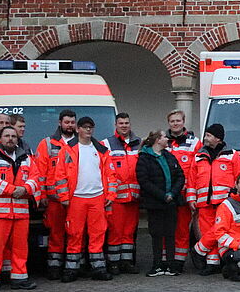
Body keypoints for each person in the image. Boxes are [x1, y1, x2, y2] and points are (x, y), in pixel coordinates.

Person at [0, 125, 40, 292]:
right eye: (7, 136)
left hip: (20, 214)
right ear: (0, 138)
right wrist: (15, 190)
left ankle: (19, 278)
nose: (10, 139)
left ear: (17, 139)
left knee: (20, 248)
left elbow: (36, 177)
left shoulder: (27, 158)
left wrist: (25, 189)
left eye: (13, 136)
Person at [53, 116, 117, 282]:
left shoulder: (101, 150)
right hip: (76, 198)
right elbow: (59, 175)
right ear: (78, 129)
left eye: (91, 127)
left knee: (98, 233)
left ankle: (98, 268)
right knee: (74, 233)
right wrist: (64, 197)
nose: (88, 130)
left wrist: (110, 195)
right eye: (85, 127)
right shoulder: (68, 150)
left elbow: (111, 175)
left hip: (97, 197)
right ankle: (71, 269)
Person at [191, 124, 240, 274]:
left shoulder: (231, 155)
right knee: (208, 231)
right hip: (203, 202)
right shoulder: (199, 156)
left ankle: (199, 249)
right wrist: (191, 198)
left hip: (224, 203)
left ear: (218, 139)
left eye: (209, 135)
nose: (205, 138)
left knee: (219, 231)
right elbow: (192, 180)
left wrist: (235, 197)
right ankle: (212, 263)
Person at [32, 109, 76, 279]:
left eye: (72, 122)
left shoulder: (81, 143)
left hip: (75, 199)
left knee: (75, 233)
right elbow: (40, 172)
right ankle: (54, 267)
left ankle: (73, 266)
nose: (70, 125)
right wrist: (41, 196)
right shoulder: (48, 144)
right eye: (67, 122)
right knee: (56, 234)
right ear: (60, 123)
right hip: (54, 199)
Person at [136, 130, 186, 277]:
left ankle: (171, 265)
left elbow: (180, 176)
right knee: (156, 234)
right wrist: (162, 196)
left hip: (171, 202)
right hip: (155, 203)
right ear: (158, 140)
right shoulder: (144, 159)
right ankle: (157, 264)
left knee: (170, 233)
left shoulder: (169, 156)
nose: (167, 139)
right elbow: (144, 181)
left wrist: (172, 194)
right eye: (164, 137)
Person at [102, 113, 141, 275]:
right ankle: (113, 263)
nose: (124, 126)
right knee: (115, 231)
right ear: (116, 125)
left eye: (126, 123)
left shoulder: (139, 144)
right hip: (116, 197)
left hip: (134, 197)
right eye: (121, 123)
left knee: (129, 232)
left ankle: (126, 261)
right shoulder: (106, 144)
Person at [164, 110, 202, 272]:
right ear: (168, 123)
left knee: (181, 228)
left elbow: (197, 170)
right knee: (166, 228)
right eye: (172, 121)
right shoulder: (162, 141)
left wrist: (193, 194)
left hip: (184, 193)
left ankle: (179, 261)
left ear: (184, 121)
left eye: (178, 120)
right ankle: (165, 259)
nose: (175, 123)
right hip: (166, 194)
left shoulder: (195, 143)